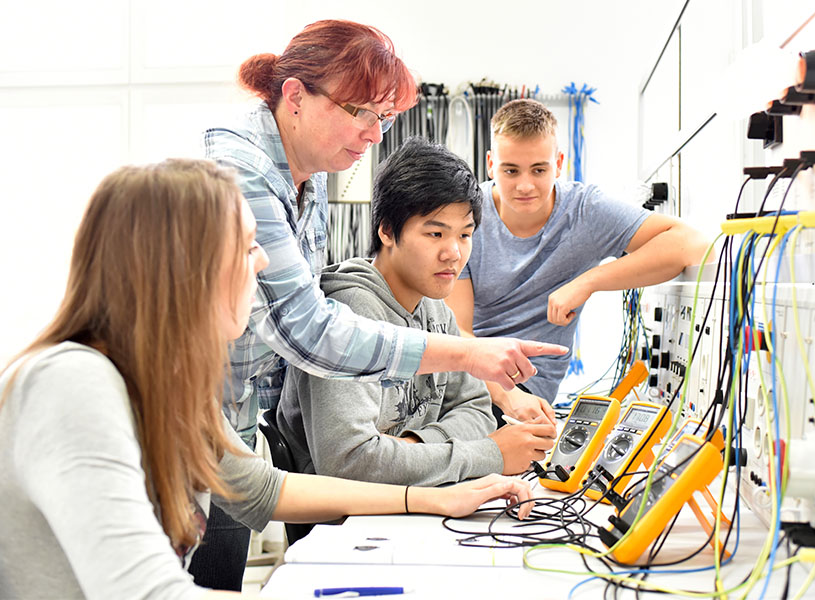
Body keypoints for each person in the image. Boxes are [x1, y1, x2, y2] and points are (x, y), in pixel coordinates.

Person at [0, 159, 535, 599]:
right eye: (247, 244)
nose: (261, 263)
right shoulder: (74, 385)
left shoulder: (166, 386)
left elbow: (264, 489)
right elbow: (148, 592)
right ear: (182, 265)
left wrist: (431, 499)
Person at [200, 21, 564, 588]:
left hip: (234, 436)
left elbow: (264, 488)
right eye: (361, 113)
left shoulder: (311, 175)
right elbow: (307, 331)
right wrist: (473, 386)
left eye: (384, 118)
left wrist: (422, 451)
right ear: (294, 96)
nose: (374, 135)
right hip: (197, 424)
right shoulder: (241, 171)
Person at [277, 138, 557, 486]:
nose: (453, 253)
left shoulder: (435, 307)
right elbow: (350, 463)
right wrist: (490, 454)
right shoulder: (348, 313)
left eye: (465, 235)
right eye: (436, 233)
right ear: (387, 231)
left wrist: (411, 447)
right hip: (343, 514)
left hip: (419, 498)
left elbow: (477, 409)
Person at [446, 98, 709, 424]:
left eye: (539, 170)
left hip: (527, 390)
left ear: (559, 163)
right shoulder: (468, 217)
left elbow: (691, 243)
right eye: (510, 170)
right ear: (490, 164)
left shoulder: (585, 211)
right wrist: (505, 395)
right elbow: (458, 332)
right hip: (473, 376)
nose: (525, 185)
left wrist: (588, 282)